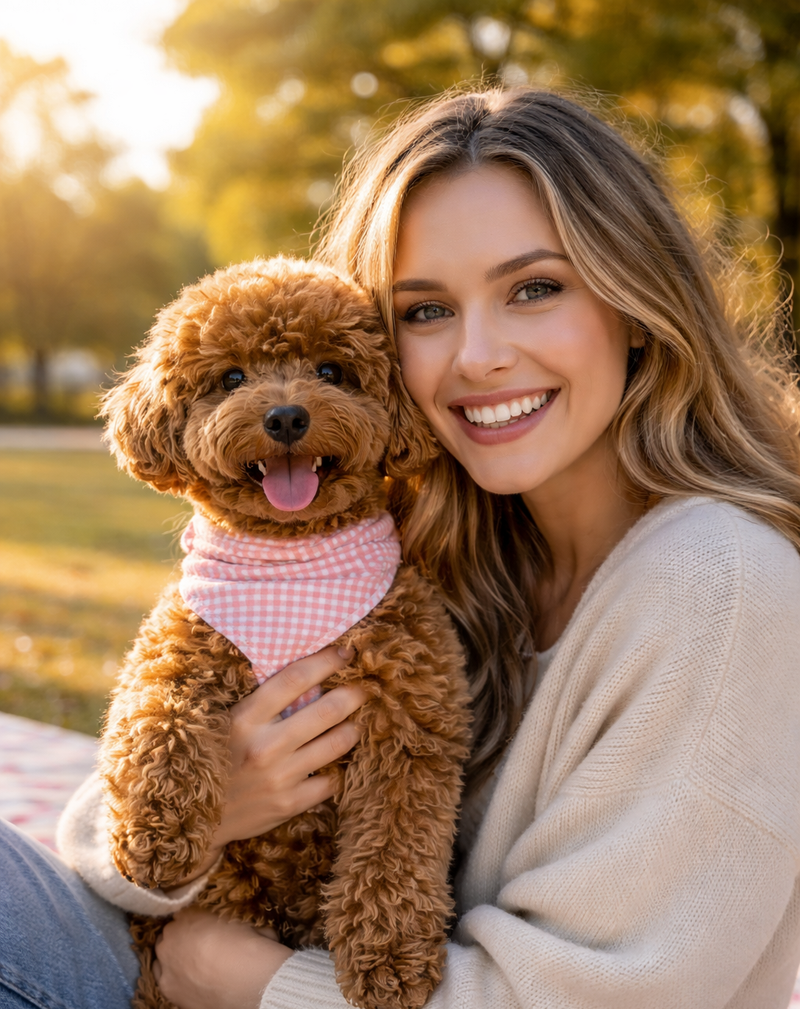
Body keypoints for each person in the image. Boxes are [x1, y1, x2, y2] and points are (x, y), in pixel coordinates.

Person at [3, 85, 800, 1009]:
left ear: (637, 301)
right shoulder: (428, 546)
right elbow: (109, 834)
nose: (478, 356)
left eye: (534, 289)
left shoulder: (721, 585)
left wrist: (232, 974)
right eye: (426, 311)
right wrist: (220, 799)